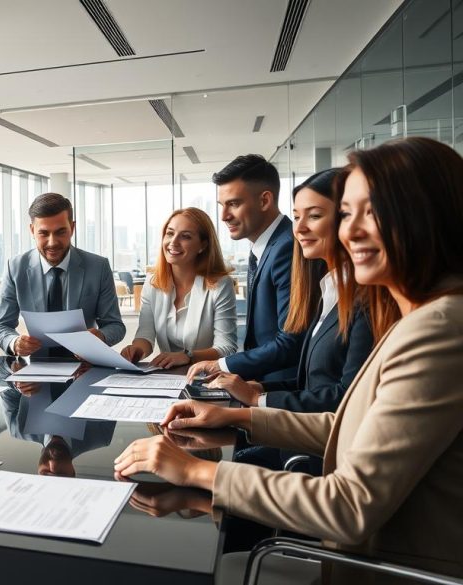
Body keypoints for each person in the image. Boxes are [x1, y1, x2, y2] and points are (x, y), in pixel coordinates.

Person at [114, 137, 463, 581]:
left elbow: (347, 507)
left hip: (378, 568)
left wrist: (195, 472)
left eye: (371, 212)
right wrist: (237, 416)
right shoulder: (421, 319)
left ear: (429, 216)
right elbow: (347, 426)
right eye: (348, 214)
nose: (349, 231)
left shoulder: (438, 330)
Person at [206, 169, 374, 416]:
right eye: (296, 217)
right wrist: (260, 390)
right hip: (293, 416)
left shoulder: (366, 301)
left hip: (315, 439)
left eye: (314, 215)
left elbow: (346, 395)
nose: (300, 229)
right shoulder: (328, 290)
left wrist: (256, 398)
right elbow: (310, 379)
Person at [187, 154, 304, 382]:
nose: (223, 216)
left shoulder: (286, 249)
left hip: (282, 389)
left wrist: (222, 364)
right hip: (261, 381)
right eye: (222, 205)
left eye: (234, 204)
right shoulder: (265, 248)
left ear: (264, 201)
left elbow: (291, 341)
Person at [0, 192, 124, 356]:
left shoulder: (98, 267)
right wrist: (14, 342)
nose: (52, 242)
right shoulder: (15, 268)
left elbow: (115, 326)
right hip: (36, 370)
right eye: (44, 233)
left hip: (85, 366)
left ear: (72, 228)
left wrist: (101, 336)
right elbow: (1, 326)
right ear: (32, 230)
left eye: (60, 232)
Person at [118, 208, 237, 369]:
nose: (173, 242)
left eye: (185, 236)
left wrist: (187, 356)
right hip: (167, 378)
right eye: (170, 233)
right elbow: (145, 336)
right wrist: (136, 350)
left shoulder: (220, 284)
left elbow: (227, 349)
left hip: (206, 377)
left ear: (202, 245)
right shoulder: (152, 283)